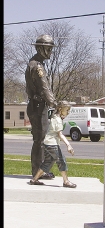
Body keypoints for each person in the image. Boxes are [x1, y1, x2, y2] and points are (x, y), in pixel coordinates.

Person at [25, 35, 57, 179]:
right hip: (37, 107)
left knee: (41, 140)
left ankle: (39, 171)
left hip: (37, 105)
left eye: (51, 49)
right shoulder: (37, 66)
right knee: (39, 140)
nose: (50, 52)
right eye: (48, 49)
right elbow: (44, 89)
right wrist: (55, 104)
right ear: (40, 48)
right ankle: (36, 172)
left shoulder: (35, 63)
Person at [29, 100, 77, 188]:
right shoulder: (58, 120)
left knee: (48, 161)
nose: (68, 112)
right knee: (61, 161)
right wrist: (68, 145)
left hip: (48, 143)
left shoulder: (55, 117)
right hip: (52, 144)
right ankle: (66, 181)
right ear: (60, 109)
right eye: (67, 110)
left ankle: (34, 179)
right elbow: (60, 134)